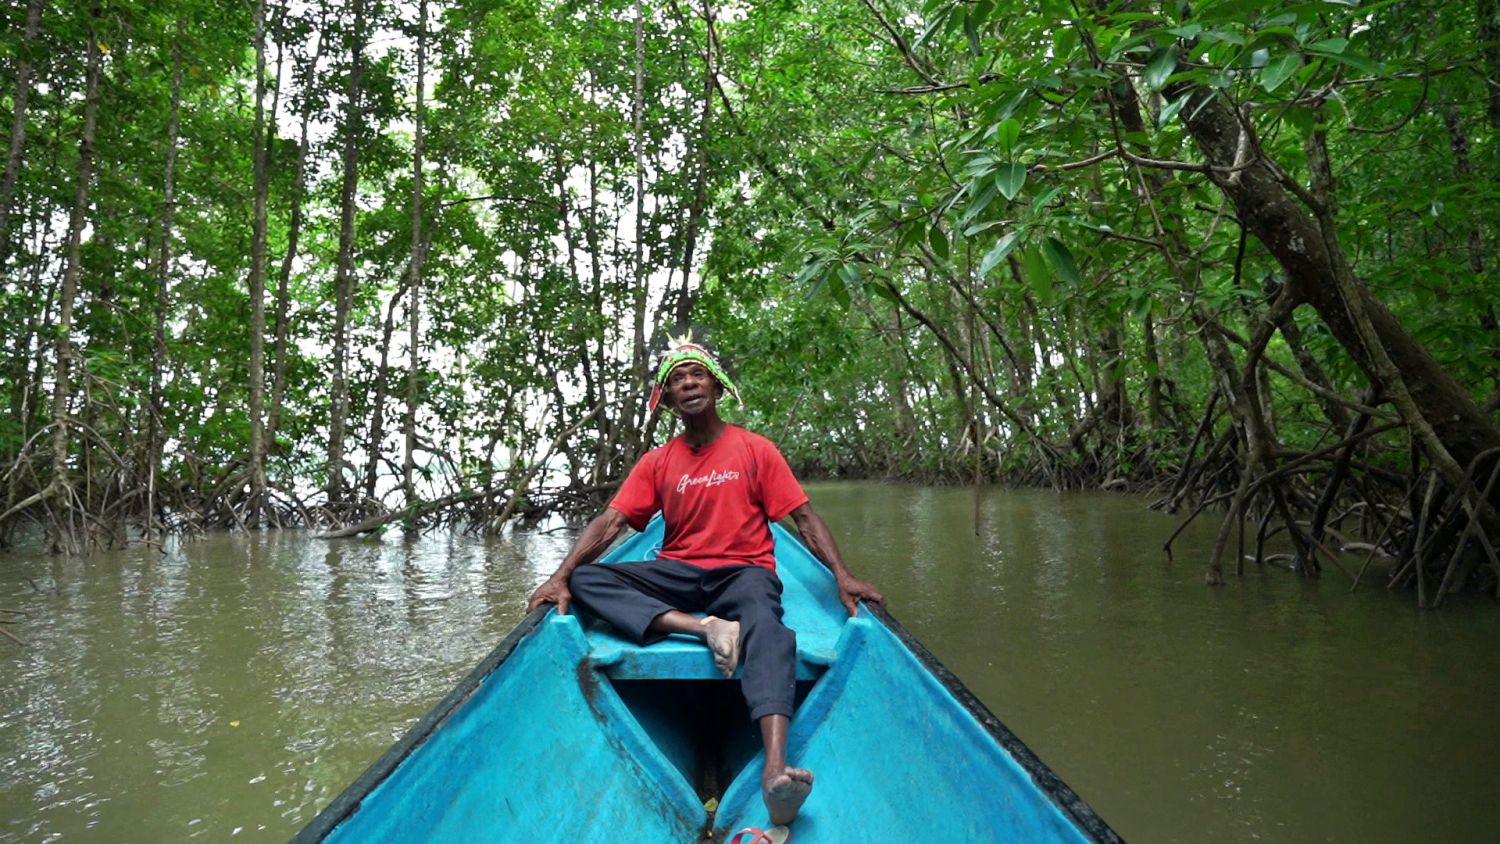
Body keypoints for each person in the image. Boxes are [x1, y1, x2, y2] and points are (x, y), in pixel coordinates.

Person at [526, 338, 884, 828]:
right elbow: (610, 524)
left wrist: (842, 578)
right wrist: (559, 577)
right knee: (589, 580)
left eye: (696, 375)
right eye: (676, 380)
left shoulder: (755, 449)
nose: (688, 384)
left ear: (716, 386)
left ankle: (775, 771)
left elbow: (804, 519)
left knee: (768, 628)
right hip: (678, 573)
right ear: (669, 400)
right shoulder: (657, 461)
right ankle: (704, 629)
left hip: (745, 571)